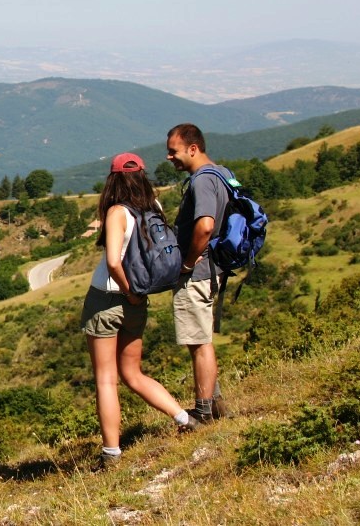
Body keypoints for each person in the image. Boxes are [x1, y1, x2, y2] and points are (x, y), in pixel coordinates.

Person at [82, 152, 197, 469]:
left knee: (106, 380)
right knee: (133, 373)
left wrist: (127, 290)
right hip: (138, 303)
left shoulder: (117, 212)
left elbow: (114, 261)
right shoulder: (154, 207)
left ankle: (111, 454)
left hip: (107, 299)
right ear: (143, 176)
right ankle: (185, 419)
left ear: (113, 179)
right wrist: (136, 294)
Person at [165, 123, 230, 423]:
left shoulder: (202, 182)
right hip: (214, 268)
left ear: (193, 149)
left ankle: (203, 411)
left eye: (173, 151)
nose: (169, 157)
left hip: (199, 272)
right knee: (200, 338)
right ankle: (215, 404)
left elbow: (205, 225)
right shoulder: (223, 173)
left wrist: (188, 263)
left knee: (199, 343)